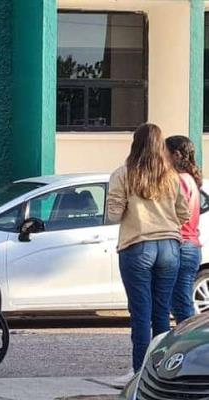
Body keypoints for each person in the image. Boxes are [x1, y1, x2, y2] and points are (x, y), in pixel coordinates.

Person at [107, 123, 190, 388]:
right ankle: (162, 374)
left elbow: (113, 214)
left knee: (140, 312)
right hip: (169, 246)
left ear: (135, 143)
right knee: (162, 312)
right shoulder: (171, 175)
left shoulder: (123, 174)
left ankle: (139, 373)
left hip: (137, 245)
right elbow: (184, 213)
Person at [166, 135, 201, 323]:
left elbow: (174, 213)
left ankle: (190, 344)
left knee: (181, 304)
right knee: (182, 300)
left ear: (176, 155)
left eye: (165, 153)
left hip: (183, 244)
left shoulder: (178, 180)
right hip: (191, 244)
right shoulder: (190, 179)